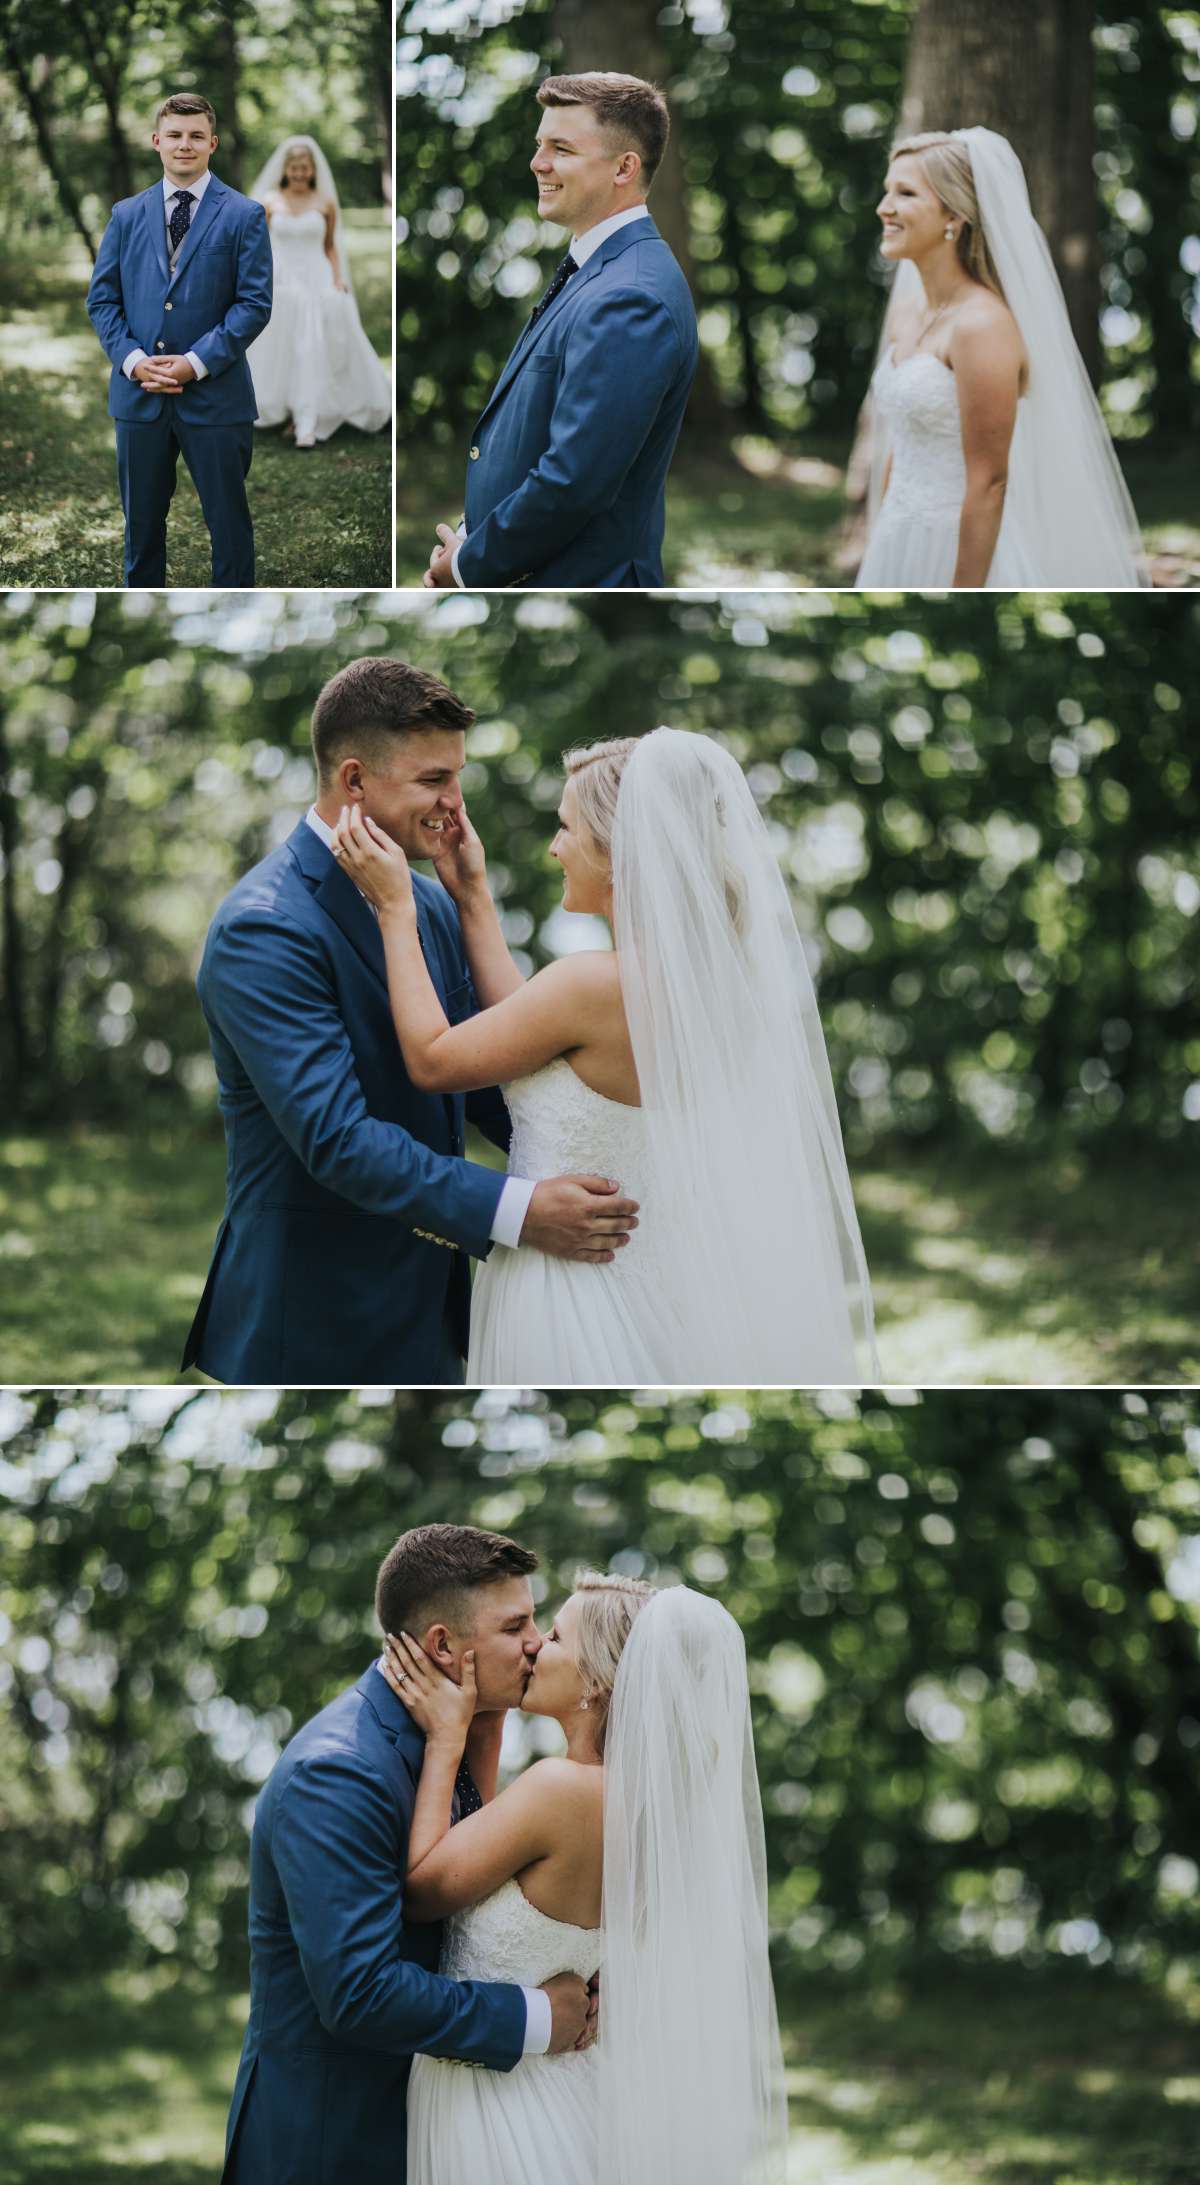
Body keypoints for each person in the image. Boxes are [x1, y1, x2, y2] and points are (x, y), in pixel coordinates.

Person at [332, 726, 878, 1383]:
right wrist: (473, 897)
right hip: (655, 1286)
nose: (555, 846)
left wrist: (396, 906)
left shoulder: (594, 983)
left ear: (619, 851)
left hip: (568, 1293)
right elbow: (536, 1041)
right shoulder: (711, 989)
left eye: (566, 828)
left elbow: (433, 1059)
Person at [181, 659, 639, 1385]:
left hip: (434, 1310)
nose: (455, 806)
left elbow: (490, 1083)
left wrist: (604, 1144)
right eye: (434, 781)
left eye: (456, 777)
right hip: (312, 1317)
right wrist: (519, 1210)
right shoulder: (262, 928)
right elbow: (337, 1140)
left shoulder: (427, 905)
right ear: (355, 781)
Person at [380, 1561, 788, 2183]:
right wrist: (489, 1725)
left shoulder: (560, 1791)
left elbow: (424, 1890)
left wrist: (446, 1738)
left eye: (558, 1638)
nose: (537, 1644)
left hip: (494, 2107)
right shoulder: (644, 1806)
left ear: (595, 1682)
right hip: (566, 2088)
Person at [220, 1525, 595, 2185]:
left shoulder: (454, 1732)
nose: (537, 1642)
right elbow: (360, 1992)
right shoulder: (338, 1771)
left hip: (448, 2132)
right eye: (516, 1625)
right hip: (336, 2144)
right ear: (443, 1645)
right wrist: (538, 2016)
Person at [423, 72, 699, 590]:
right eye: (538, 144)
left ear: (624, 167)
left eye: (561, 148)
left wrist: (467, 566)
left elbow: (573, 480)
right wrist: (468, 537)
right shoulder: (597, 267)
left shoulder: (631, 295)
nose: (538, 162)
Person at [855, 128, 1146, 588]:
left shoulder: (982, 326)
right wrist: (884, 534)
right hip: (898, 535)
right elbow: (902, 440)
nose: (883, 208)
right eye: (887, 191)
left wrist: (964, 589)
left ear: (954, 214)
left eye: (905, 194)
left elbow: (990, 481)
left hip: (958, 544)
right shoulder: (907, 315)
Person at [86, 91, 272, 586]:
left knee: (229, 526)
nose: (184, 145)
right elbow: (102, 301)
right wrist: (131, 360)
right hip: (138, 397)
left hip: (215, 396)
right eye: (174, 135)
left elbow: (254, 304)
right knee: (141, 530)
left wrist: (195, 361)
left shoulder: (244, 214)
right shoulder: (125, 215)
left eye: (195, 136)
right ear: (156, 141)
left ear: (212, 143)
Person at [245, 134, 391, 447]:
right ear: (286, 168)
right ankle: (287, 409)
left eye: (304, 168)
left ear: (312, 170)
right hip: (283, 279)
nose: (299, 173)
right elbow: (258, 248)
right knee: (286, 342)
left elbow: (331, 247)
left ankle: (309, 417)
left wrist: (338, 279)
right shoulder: (270, 201)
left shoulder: (325, 202)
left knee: (314, 341)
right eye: (294, 167)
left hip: (318, 275)